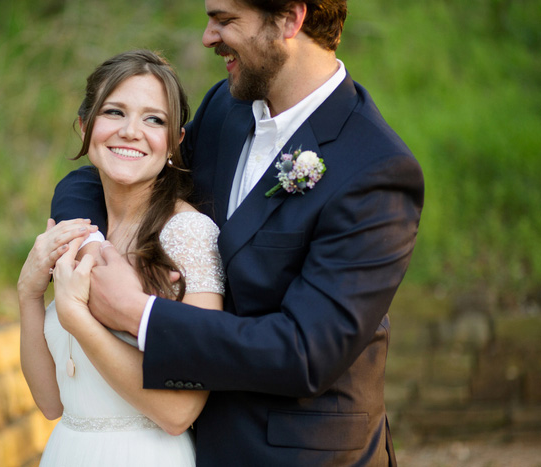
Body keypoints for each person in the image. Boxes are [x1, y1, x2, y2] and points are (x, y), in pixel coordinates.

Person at [51, 0, 424, 465]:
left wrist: (138, 313)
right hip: (187, 446)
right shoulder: (226, 109)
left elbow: (305, 353)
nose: (208, 37)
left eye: (225, 20)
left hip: (298, 455)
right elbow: (113, 168)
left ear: (290, 19)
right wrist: (90, 243)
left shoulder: (376, 168)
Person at [18, 49, 225, 466]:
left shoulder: (188, 235)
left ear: (175, 141)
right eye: (114, 112)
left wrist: (77, 317)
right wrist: (28, 295)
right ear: (84, 125)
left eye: (154, 119)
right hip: (67, 451)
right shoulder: (78, 231)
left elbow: (177, 412)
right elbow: (52, 403)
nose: (131, 131)